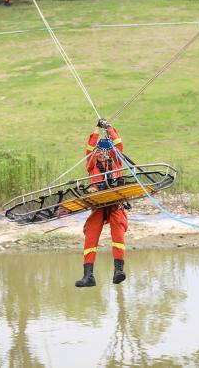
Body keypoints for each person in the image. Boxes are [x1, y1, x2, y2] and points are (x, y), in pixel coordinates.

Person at [75, 118, 128, 288]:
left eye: (106, 150)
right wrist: (96, 129)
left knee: (118, 231)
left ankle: (118, 270)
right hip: (98, 204)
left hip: (115, 202)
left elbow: (119, 145)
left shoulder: (116, 159)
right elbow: (90, 147)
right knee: (91, 234)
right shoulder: (92, 163)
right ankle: (88, 275)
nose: (103, 153)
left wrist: (110, 128)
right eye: (100, 151)